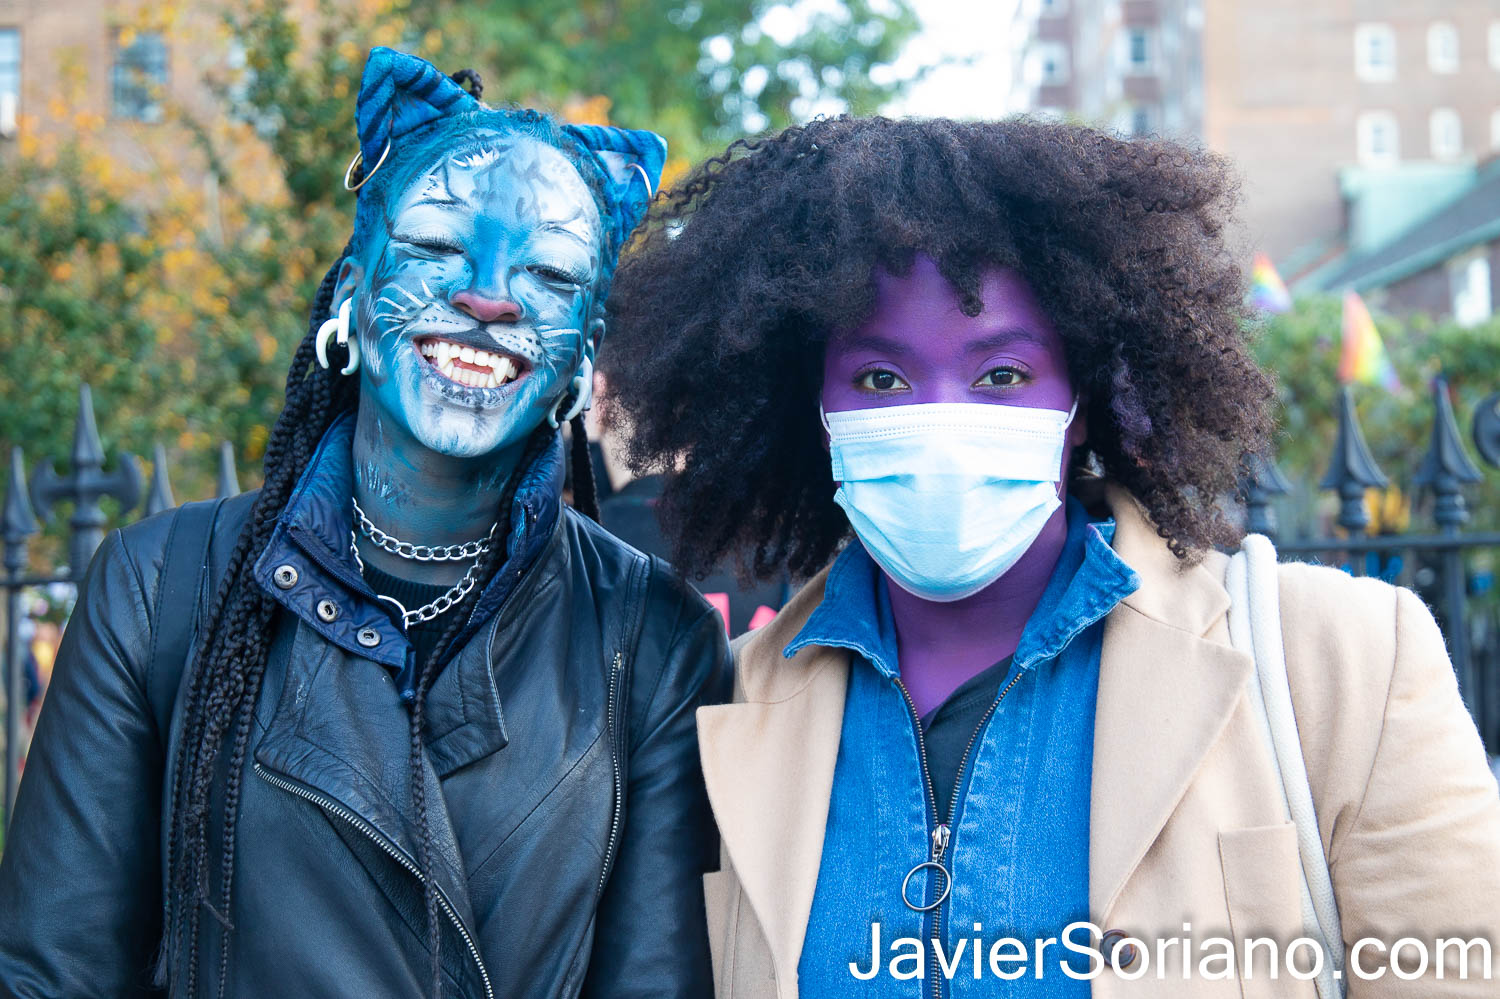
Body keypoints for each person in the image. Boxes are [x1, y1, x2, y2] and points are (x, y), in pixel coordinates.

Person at [602, 115, 1500, 996]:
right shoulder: (719, 708)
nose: (946, 419)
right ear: (814, 407)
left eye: (1003, 374)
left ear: (1083, 400)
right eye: (881, 378)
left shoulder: (1343, 667)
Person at [0, 48, 729, 999]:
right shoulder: (155, 588)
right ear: (350, 291)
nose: (489, 295)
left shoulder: (656, 641)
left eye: (548, 273)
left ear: (583, 356)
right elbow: (54, 976)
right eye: (435, 247)